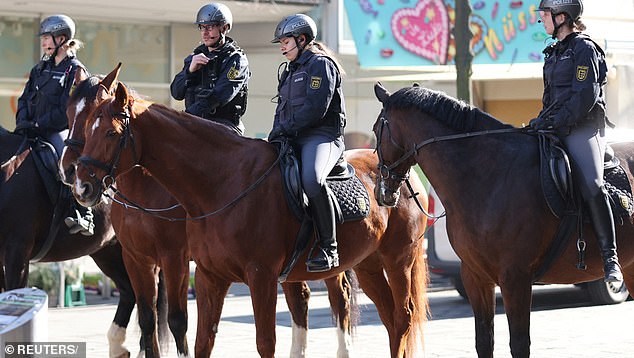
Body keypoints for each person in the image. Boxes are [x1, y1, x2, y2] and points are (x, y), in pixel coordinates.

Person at [530, 0, 622, 282]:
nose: (541, 20)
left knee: (593, 186)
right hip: (554, 126)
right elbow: (549, 98)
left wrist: (556, 122)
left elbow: (584, 97)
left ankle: (610, 258)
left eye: (545, 15)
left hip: (583, 129)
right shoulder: (553, 53)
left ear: (562, 17)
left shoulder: (584, 49)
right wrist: (540, 121)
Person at [268, 14, 347, 273]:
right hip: (292, 136)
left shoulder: (320, 65)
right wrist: (275, 134)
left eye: (285, 41)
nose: (282, 47)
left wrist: (284, 129)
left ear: (301, 39)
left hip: (322, 136)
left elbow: (316, 109)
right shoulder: (289, 70)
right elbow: (282, 109)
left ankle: (329, 246)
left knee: (312, 179)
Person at [14, 14, 94, 236]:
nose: (43, 42)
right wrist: (23, 121)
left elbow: (68, 111)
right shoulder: (40, 69)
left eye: (47, 37)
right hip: (31, 129)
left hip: (59, 132)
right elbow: (24, 97)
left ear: (62, 39)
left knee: (66, 164)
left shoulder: (76, 71)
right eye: (44, 38)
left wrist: (40, 123)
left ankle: (82, 214)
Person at [170, 2, 250, 135]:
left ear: (224, 28)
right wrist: (189, 71)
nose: (205, 33)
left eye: (210, 27)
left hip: (224, 126)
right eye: (202, 27)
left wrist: (185, 117)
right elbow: (176, 93)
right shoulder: (195, 57)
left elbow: (219, 96)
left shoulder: (236, 60)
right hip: (195, 123)